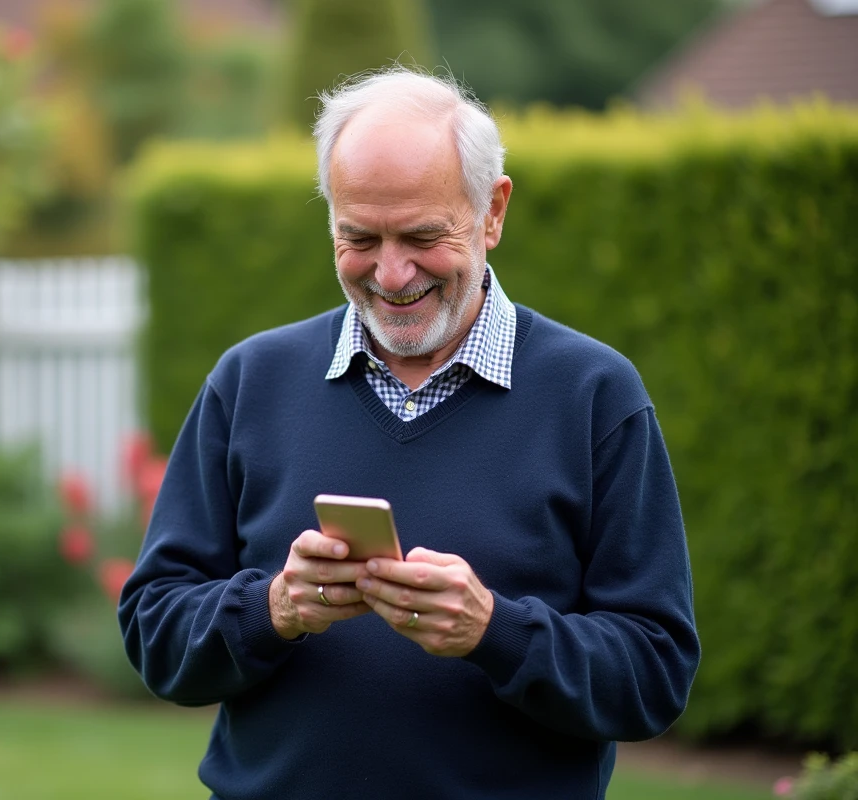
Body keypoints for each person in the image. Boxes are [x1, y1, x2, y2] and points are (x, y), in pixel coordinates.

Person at [117, 68, 700, 800]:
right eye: (358, 237)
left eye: (423, 236)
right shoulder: (250, 382)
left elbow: (654, 673)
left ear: (493, 212)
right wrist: (274, 608)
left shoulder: (592, 395)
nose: (391, 274)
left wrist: (495, 631)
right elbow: (155, 631)